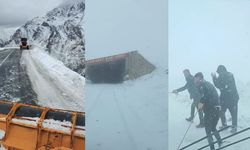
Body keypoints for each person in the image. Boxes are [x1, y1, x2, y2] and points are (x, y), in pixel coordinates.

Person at [195, 72, 222, 150]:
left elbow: (205, 97)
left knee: (208, 130)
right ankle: (220, 142)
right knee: (213, 127)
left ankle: (212, 147)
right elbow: (206, 96)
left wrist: (200, 106)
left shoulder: (204, 86)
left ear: (201, 79)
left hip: (211, 110)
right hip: (216, 109)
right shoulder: (207, 84)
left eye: (197, 79)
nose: (196, 81)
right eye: (195, 80)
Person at [212, 65, 239, 133]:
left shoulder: (229, 75)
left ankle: (234, 127)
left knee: (233, 113)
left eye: (219, 72)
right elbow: (218, 85)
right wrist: (214, 78)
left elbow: (228, 86)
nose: (219, 74)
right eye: (218, 73)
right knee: (221, 111)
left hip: (232, 98)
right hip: (224, 98)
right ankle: (224, 125)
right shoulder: (220, 76)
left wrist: (223, 87)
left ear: (223, 70)